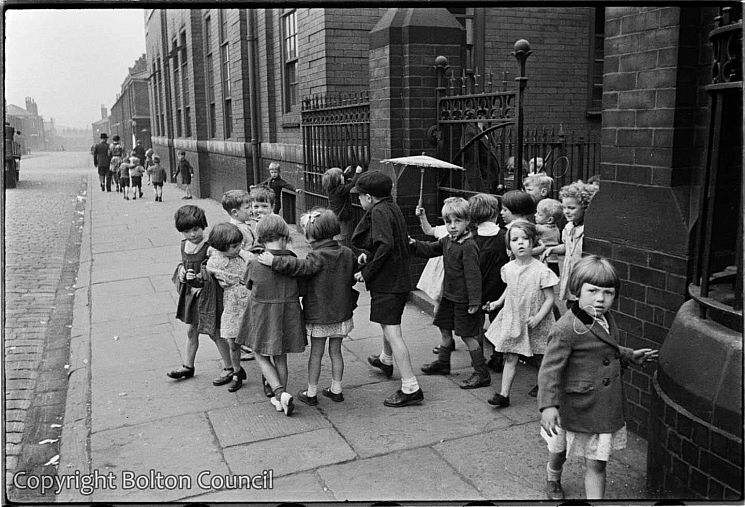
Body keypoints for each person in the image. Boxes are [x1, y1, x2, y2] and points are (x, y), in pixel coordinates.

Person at [538, 255, 658, 500]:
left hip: (603, 406)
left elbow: (606, 348)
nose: (601, 299)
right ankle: (553, 475)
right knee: (560, 450)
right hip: (576, 405)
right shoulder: (565, 328)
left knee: (597, 464)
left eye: (609, 293)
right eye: (592, 291)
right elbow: (549, 370)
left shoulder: (605, 318)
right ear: (576, 290)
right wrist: (548, 405)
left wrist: (630, 355)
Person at [258, 208, 358, 405]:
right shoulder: (347, 252)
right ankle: (336, 389)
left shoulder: (316, 257)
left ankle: (311, 393)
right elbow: (352, 273)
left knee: (316, 354)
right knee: (336, 352)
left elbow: (298, 268)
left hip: (320, 314)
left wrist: (274, 261)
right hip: (342, 313)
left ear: (312, 235)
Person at [351, 171, 423, 407]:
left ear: (369, 197)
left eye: (360, 197)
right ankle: (385, 359)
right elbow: (385, 243)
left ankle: (411, 386)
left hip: (388, 281)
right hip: (398, 278)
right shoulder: (391, 207)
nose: (359, 201)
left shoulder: (379, 212)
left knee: (393, 332)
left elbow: (386, 244)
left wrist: (367, 270)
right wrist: (368, 255)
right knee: (387, 323)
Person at [412, 197, 489, 389]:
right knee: (444, 328)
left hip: (463, 299)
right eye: (448, 222)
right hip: (448, 295)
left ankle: (482, 373)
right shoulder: (448, 240)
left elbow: (473, 276)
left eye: (458, 221)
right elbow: (430, 249)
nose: (452, 226)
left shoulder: (469, 246)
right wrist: (412, 243)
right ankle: (443, 363)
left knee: (467, 335)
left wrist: (474, 302)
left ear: (467, 221)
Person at [483, 221, 559, 408]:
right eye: (515, 239)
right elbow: (510, 288)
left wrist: (539, 317)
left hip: (536, 320)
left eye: (525, 239)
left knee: (542, 356)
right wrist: (498, 303)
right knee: (511, 356)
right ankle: (503, 394)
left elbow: (550, 298)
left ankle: (548, 390)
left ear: (533, 242)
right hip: (515, 318)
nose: (521, 243)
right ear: (509, 245)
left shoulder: (541, 270)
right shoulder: (508, 268)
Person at [241, 215, 307, 416]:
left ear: (260, 237)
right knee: (281, 357)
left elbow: (248, 284)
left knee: (259, 353)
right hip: (288, 313)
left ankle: (278, 392)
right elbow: (301, 287)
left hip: (263, 313)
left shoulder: (255, 263)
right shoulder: (293, 261)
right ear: (285, 236)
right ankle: (283, 396)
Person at [167, 205, 233, 384]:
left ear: (203, 226)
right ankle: (188, 366)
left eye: (195, 229)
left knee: (215, 332)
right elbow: (183, 263)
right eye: (187, 231)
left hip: (208, 294)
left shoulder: (210, 246)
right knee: (191, 330)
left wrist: (201, 277)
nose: (192, 234)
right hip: (192, 293)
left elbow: (217, 268)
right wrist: (182, 271)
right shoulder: (184, 245)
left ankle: (230, 368)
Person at [205, 223, 251, 392]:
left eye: (240, 244)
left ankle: (267, 378)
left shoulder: (244, 256)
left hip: (249, 301)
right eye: (234, 246)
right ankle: (237, 371)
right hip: (231, 303)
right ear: (221, 247)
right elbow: (204, 275)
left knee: (256, 341)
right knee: (232, 340)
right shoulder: (214, 262)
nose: (239, 248)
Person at [542, 180, 598, 312]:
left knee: (584, 306)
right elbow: (568, 247)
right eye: (564, 207)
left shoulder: (588, 230)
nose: (566, 212)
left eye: (571, 208)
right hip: (570, 274)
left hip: (583, 274)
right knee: (571, 305)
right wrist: (553, 249)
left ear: (585, 208)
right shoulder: (568, 227)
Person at [468, 193, 509, 373]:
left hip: (476, 289)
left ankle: (478, 358)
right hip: (499, 287)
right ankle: (498, 356)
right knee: (497, 322)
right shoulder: (505, 236)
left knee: (476, 325)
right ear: (494, 213)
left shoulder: (471, 238)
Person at [221, 189, 257, 362]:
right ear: (235, 212)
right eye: (248, 207)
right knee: (245, 311)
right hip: (244, 273)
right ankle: (245, 343)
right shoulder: (239, 229)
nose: (252, 210)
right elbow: (241, 251)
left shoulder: (241, 225)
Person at [414, 201, 449, 349]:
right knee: (438, 309)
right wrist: (423, 217)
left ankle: (447, 342)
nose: (451, 225)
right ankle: (446, 340)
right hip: (440, 275)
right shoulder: (443, 230)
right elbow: (428, 230)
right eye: (448, 220)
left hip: (450, 275)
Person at [322, 165, 364, 246]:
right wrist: (357, 173)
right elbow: (352, 184)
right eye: (341, 176)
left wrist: (345, 173)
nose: (343, 177)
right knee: (344, 237)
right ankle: (344, 251)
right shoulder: (340, 190)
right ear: (337, 180)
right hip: (342, 217)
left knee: (339, 236)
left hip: (335, 216)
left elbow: (339, 180)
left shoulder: (331, 189)